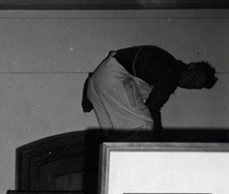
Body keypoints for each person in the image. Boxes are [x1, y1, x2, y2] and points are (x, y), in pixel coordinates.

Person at [82, 46, 217, 137]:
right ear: (191, 66)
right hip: (112, 78)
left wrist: (88, 95)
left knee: (114, 138)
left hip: (97, 81)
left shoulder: (166, 68)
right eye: (195, 77)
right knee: (144, 127)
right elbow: (153, 106)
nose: (191, 83)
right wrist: (159, 139)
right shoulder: (173, 71)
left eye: (195, 85)